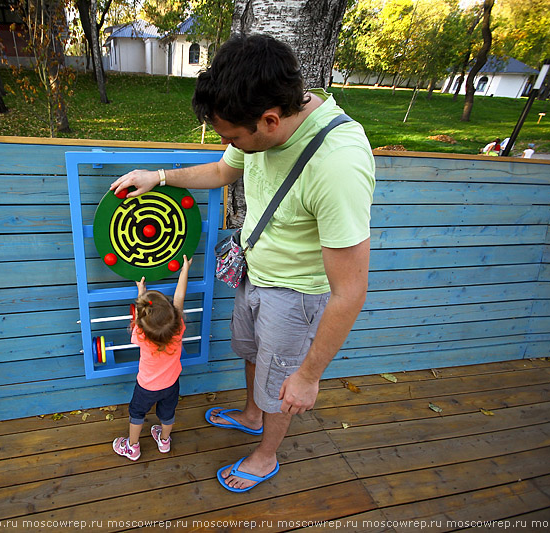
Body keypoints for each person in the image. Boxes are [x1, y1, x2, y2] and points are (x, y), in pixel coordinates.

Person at [110, 34, 375, 491]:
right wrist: (160, 178)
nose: (229, 145)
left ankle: (265, 455)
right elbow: (221, 171)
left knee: (281, 380)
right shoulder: (262, 115)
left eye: (233, 137)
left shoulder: (338, 165)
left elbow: (350, 291)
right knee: (252, 354)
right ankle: (253, 415)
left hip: (294, 296)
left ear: (269, 121)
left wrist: (309, 376)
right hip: (254, 273)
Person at [112, 256, 192, 461]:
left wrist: (141, 289)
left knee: (137, 413)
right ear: (173, 315)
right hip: (171, 384)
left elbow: (140, 317)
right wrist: (184, 270)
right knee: (167, 414)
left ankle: (132, 446)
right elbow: (179, 298)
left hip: (146, 386)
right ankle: (164, 441)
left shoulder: (141, 334)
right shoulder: (177, 329)